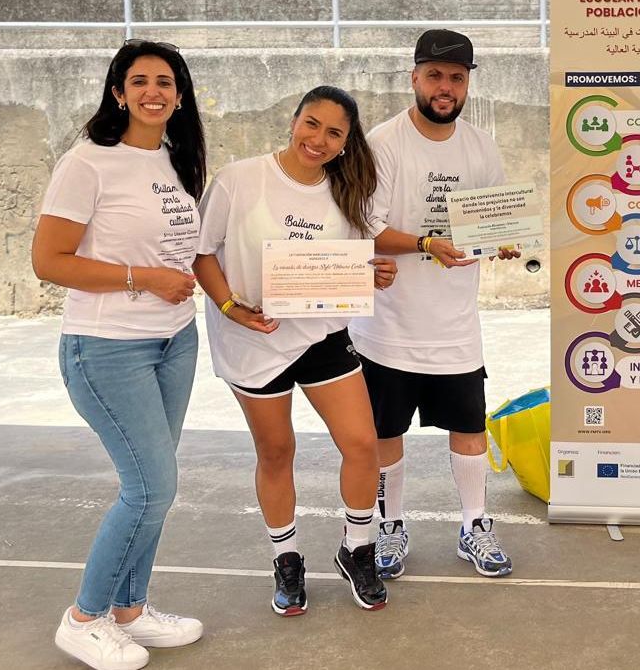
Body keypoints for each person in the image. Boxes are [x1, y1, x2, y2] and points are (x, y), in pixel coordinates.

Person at [32, 40, 207, 670]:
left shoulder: (175, 159)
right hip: (107, 349)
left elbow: (195, 252)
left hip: (174, 342)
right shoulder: (87, 162)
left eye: (165, 81)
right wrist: (142, 278)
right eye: (139, 81)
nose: (153, 91)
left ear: (180, 96)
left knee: (156, 485)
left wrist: (232, 304)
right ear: (118, 92)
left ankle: (131, 610)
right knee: (150, 488)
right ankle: (84, 617)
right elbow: (49, 260)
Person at [192, 86, 399, 615]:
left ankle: (357, 549)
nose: (319, 139)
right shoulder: (240, 179)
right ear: (293, 120)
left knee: (362, 444)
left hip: (321, 337)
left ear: (346, 142)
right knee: (277, 451)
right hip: (253, 339)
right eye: (312, 124)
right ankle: (286, 557)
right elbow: (200, 254)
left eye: (334, 133)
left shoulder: (350, 190)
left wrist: (376, 271)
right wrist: (230, 305)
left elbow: (358, 261)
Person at [347, 29, 522, 580]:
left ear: (467, 82)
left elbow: (490, 219)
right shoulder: (383, 142)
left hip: (455, 325)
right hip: (387, 325)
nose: (445, 87)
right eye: (435, 76)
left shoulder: (480, 145)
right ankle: (391, 527)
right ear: (414, 78)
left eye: (456, 78)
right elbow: (365, 228)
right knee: (384, 433)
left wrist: (502, 236)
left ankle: (474, 526)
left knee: (470, 427)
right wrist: (426, 245)